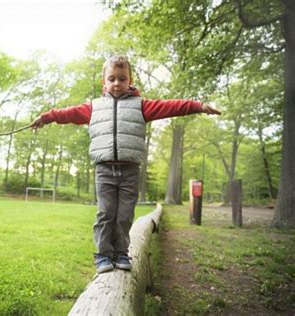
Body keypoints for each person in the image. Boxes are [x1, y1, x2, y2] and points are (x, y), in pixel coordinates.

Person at [30, 56, 221, 274]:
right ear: (104, 82)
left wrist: (199, 106)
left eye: (122, 79)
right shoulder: (93, 107)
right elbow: (66, 113)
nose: (117, 83)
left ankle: (121, 252)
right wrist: (45, 117)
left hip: (130, 171)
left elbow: (170, 106)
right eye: (111, 79)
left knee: (124, 215)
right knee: (105, 213)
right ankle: (103, 255)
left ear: (130, 81)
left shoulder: (141, 105)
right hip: (104, 170)